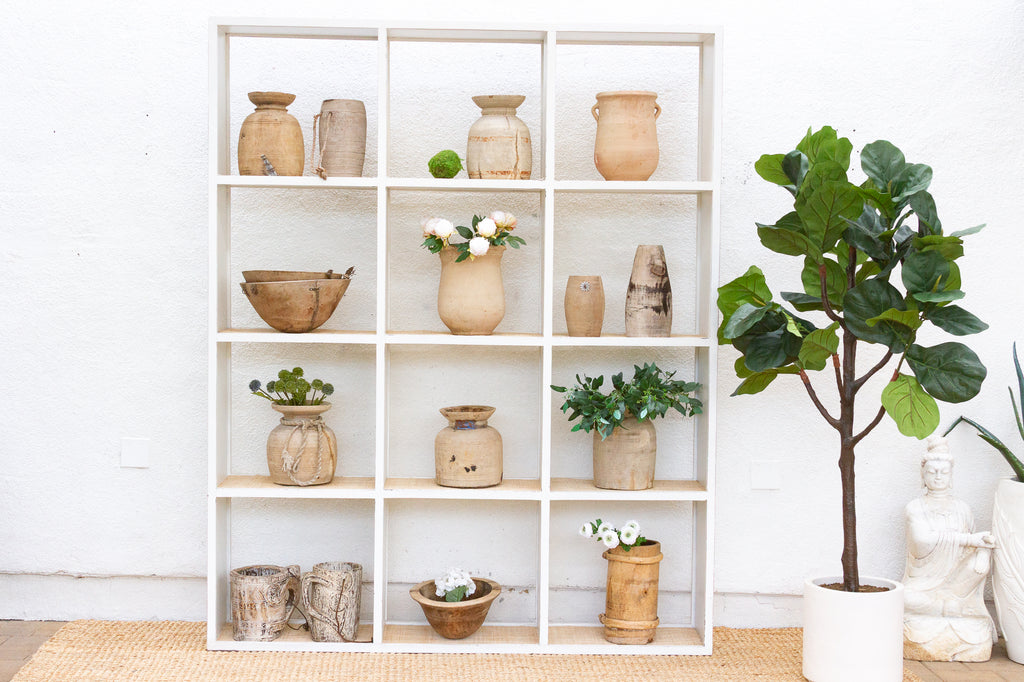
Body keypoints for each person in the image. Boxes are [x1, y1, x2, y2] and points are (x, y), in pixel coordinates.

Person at [903, 435, 996, 661]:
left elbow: (970, 554)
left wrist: (982, 547)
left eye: (943, 472)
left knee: (980, 561)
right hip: (922, 587)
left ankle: (951, 605)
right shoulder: (915, 508)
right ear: (923, 476)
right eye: (932, 471)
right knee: (903, 598)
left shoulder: (963, 509)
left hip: (957, 587)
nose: (937, 476)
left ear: (951, 476)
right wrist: (969, 539)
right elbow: (921, 542)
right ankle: (950, 608)